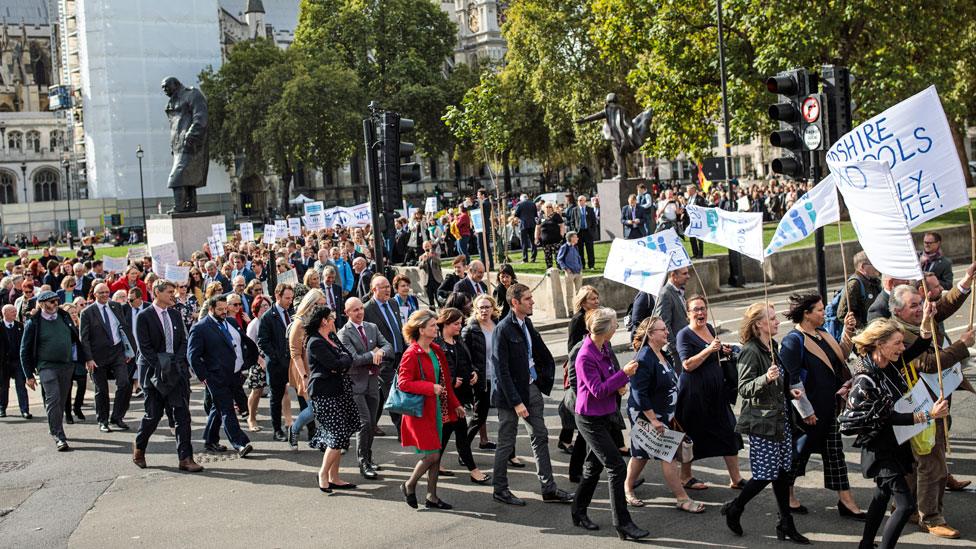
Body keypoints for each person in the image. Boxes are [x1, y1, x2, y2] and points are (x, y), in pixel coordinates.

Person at [841, 317, 945, 549]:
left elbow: (915, 350)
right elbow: (888, 418)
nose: (902, 348)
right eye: (897, 343)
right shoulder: (866, 378)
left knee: (881, 495)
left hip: (895, 444)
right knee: (906, 505)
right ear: (880, 344)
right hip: (880, 449)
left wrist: (926, 323)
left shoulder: (886, 364)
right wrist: (929, 415)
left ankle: (866, 544)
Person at [887, 276, 975, 539]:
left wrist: (966, 281)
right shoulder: (900, 333)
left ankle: (910, 507)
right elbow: (927, 362)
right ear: (898, 310)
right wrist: (962, 345)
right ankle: (931, 517)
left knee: (919, 463)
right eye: (914, 305)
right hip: (920, 406)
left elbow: (942, 307)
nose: (921, 307)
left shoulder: (918, 321)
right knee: (932, 464)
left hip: (931, 402)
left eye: (920, 303)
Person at [721, 303, 808, 543]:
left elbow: (778, 382)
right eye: (771, 318)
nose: (777, 321)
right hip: (762, 423)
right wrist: (765, 378)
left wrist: (789, 392)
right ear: (759, 324)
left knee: (781, 472)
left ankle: (786, 523)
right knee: (765, 474)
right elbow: (745, 388)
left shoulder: (772, 346)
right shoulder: (750, 350)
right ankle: (735, 507)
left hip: (781, 420)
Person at [779, 291, 865, 517]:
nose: (824, 313)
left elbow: (839, 357)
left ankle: (846, 501)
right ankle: (787, 496)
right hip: (809, 412)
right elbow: (793, 380)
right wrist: (806, 411)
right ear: (806, 314)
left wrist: (847, 330)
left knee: (836, 454)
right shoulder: (793, 341)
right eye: (819, 310)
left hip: (829, 407)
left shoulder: (822, 333)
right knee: (799, 454)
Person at [491, 283, 573, 506]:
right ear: (515, 303)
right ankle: (500, 489)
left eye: (531, 298)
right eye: (527, 299)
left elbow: (539, 353)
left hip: (531, 387)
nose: (532, 302)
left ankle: (549, 488)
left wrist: (540, 379)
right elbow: (501, 370)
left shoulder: (526, 323)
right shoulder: (503, 329)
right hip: (510, 396)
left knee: (541, 436)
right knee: (506, 442)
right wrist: (516, 402)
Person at [570, 307, 645, 539]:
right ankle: (623, 524)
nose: (617, 327)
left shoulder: (604, 346)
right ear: (606, 329)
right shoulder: (584, 356)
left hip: (605, 415)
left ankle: (578, 511)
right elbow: (598, 390)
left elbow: (608, 380)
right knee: (616, 467)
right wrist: (623, 375)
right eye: (615, 324)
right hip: (589, 419)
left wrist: (620, 384)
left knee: (593, 467)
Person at [625, 316, 703, 513]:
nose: (667, 332)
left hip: (664, 414)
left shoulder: (663, 353)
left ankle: (627, 486)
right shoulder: (643, 358)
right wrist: (653, 419)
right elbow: (638, 392)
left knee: (640, 455)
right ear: (650, 335)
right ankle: (682, 498)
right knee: (668, 456)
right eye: (662, 330)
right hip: (647, 416)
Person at [674, 295, 744, 490]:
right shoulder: (684, 335)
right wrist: (708, 350)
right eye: (695, 309)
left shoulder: (710, 329)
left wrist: (723, 351)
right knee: (691, 435)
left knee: (729, 430)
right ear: (688, 313)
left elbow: (715, 354)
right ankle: (685, 477)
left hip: (716, 393)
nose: (700, 312)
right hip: (694, 395)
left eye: (703, 308)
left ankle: (736, 478)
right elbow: (687, 365)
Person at [397, 309, 465, 510]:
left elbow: (445, 382)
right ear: (421, 329)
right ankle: (409, 484)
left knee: (436, 454)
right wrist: (429, 387)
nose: (437, 328)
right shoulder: (411, 353)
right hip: (421, 412)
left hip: (438, 409)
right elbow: (403, 383)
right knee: (433, 455)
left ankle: (432, 496)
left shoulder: (435, 350)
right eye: (433, 326)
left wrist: (456, 404)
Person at [132, 280, 202, 472]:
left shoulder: (175, 314)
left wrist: (175, 363)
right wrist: (162, 366)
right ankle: (139, 447)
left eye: (174, 291)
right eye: (170, 291)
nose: (174, 294)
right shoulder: (144, 316)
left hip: (176, 373)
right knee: (153, 416)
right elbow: (144, 347)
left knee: (182, 416)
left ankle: (185, 458)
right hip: (154, 374)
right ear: (157, 292)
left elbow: (183, 342)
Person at [187, 295, 254, 457]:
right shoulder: (201, 328)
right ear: (211, 309)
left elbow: (240, 342)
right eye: (220, 309)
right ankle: (240, 443)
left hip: (234, 374)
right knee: (227, 408)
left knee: (216, 408)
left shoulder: (230, 322)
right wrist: (204, 377)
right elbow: (192, 356)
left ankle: (210, 440)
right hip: (215, 376)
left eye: (226, 309)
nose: (224, 312)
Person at [20, 290, 86, 451]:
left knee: (62, 400)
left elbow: (77, 339)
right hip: (46, 366)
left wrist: (85, 359)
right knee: (53, 399)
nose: (55, 304)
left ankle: (54, 425)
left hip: (66, 365)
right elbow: (24, 350)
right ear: (42, 304)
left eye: (56, 301)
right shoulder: (34, 323)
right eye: (51, 302)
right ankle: (59, 436)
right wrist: (28, 375)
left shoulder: (64, 317)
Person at [304, 305, 361, 492]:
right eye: (331, 317)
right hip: (325, 393)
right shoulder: (315, 342)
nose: (334, 319)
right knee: (336, 435)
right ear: (323, 321)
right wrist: (341, 363)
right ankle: (323, 474)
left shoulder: (332, 337)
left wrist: (341, 363)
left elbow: (347, 358)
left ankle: (334, 477)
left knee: (342, 434)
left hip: (341, 390)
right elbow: (336, 363)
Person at [337, 297, 391, 479]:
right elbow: (353, 359)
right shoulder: (343, 333)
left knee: (372, 423)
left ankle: (369, 457)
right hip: (356, 384)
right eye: (355, 310)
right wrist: (372, 354)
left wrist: (381, 351)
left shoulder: (371, 327)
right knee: (364, 423)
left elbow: (388, 345)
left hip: (373, 382)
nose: (360, 312)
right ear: (347, 313)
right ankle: (363, 462)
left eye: (361, 308)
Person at [435, 307, 490, 484]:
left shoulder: (458, 340)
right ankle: (474, 471)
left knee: (446, 432)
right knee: (460, 433)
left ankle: (433, 463)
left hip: (462, 393)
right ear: (445, 323)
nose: (460, 327)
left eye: (461, 323)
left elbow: (467, 361)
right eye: (456, 323)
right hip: (448, 397)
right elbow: (436, 371)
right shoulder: (437, 344)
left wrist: (473, 372)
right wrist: (450, 381)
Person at [79, 282, 135, 433]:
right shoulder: (87, 312)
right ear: (95, 295)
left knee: (125, 384)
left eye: (106, 292)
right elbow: (84, 338)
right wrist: (88, 358)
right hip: (97, 356)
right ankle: (102, 420)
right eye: (101, 293)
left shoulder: (116, 307)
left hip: (117, 352)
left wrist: (128, 351)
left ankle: (117, 416)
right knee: (102, 390)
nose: (105, 295)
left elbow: (123, 329)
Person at [363, 275, 405, 438]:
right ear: (374, 289)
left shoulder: (394, 303)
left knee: (381, 394)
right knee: (393, 393)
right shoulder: (367, 309)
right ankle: (403, 430)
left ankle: (371, 424)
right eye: (383, 287)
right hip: (383, 359)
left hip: (400, 355)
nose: (388, 290)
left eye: (388, 286)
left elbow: (398, 328)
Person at [286, 289, 326, 448]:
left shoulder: (324, 319)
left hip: (323, 367)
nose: (322, 308)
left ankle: (328, 441)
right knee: (314, 409)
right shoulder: (299, 323)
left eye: (323, 304)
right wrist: (304, 376)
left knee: (323, 407)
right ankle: (294, 429)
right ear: (310, 304)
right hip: (305, 370)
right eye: (318, 304)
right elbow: (295, 353)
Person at [257, 282, 295, 442]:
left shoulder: (291, 313)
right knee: (276, 397)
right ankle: (277, 429)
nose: (290, 301)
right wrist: (276, 357)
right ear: (278, 296)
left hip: (293, 362)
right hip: (277, 365)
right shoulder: (268, 316)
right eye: (287, 298)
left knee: (301, 394)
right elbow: (263, 341)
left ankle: (310, 427)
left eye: (292, 298)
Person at [462, 294, 498, 453]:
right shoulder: (470, 329)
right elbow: (463, 355)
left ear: (493, 308)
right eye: (481, 307)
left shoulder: (497, 324)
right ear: (475, 309)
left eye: (487, 307)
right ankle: (463, 450)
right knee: (479, 417)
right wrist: (472, 371)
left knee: (506, 416)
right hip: (481, 379)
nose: (484, 310)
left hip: (499, 378)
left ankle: (509, 454)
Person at [835, 251, 882, 330]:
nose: (877, 267)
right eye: (873, 264)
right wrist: (862, 331)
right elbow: (842, 314)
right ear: (863, 267)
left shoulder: (875, 281)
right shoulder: (854, 284)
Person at [244, 295, 270, 432]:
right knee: (257, 391)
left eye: (267, 306)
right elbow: (249, 345)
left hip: (271, 359)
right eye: (262, 306)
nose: (265, 309)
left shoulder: (270, 321)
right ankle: (251, 418)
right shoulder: (254, 324)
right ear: (256, 309)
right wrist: (260, 361)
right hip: (258, 361)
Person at [0, 304, 29, 419]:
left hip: (17, 361)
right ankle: (2, 408)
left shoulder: (20, 326)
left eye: (15, 311)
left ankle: (24, 410)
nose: (15, 313)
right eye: (12, 311)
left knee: (21, 385)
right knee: (3, 387)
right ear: (4, 313)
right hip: (4, 362)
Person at [653, 267, 690, 352]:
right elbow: (664, 323)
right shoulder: (665, 294)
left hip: (685, 345)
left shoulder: (680, 291)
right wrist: (674, 347)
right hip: (676, 349)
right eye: (684, 273)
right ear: (673, 275)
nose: (688, 276)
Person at [567, 195, 597, 269]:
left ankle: (591, 265)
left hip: (588, 232)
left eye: (581, 200)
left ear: (585, 201)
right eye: (578, 200)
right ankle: (582, 265)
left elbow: (594, 221)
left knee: (590, 249)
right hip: (579, 233)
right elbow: (572, 222)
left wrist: (592, 231)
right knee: (580, 250)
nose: (579, 202)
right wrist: (574, 231)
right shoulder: (574, 210)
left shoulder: (590, 209)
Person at [557, 232, 583, 313]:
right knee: (570, 293)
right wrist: (565, 269)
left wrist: (580, 267)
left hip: (578, 272)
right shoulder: (565, 247)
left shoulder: (575, 247)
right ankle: (571, 310)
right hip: (570, 273)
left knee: (579, 293)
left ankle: (579, 309)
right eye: (576, 237)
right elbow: (559, 259)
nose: (577, 238)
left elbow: (578, 258)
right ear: (571, 238)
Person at [536, 202, 565, 270]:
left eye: (550, 207)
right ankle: (549, 269)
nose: (548, 208)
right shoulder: (541, 217)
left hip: (556, 240)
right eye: (547, 207)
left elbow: (562, 226)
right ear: (544, 208)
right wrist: (536, 238)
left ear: (552, 208)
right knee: (547, 256)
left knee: (558, 255)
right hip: (545, 241)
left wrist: (562, 235)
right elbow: (537, 228)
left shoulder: (556, 215)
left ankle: (560, 268)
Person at [513, 193, 538, 262]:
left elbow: (516, 214)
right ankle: (533, 258)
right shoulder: (533, 203)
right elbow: (536, 214)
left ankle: (525, 258)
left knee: (524, 242)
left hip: (523, 224)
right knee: (533, 242)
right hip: (532, 224)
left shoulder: (520, 204)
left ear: (521, 198)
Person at [417, 241, 443, 309]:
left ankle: (442, 315)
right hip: (427, 282)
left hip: (436, 280)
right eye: (425, 246)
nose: (427, 248)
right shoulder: (421, 257)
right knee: (431, 301)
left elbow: (439, 262)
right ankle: (432, 316)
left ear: (430, 246)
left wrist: (432, 257)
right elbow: (419, 266)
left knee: (439, 299)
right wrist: (424, 261)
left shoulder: (435, 254)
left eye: (428, 246)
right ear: (423, 248)